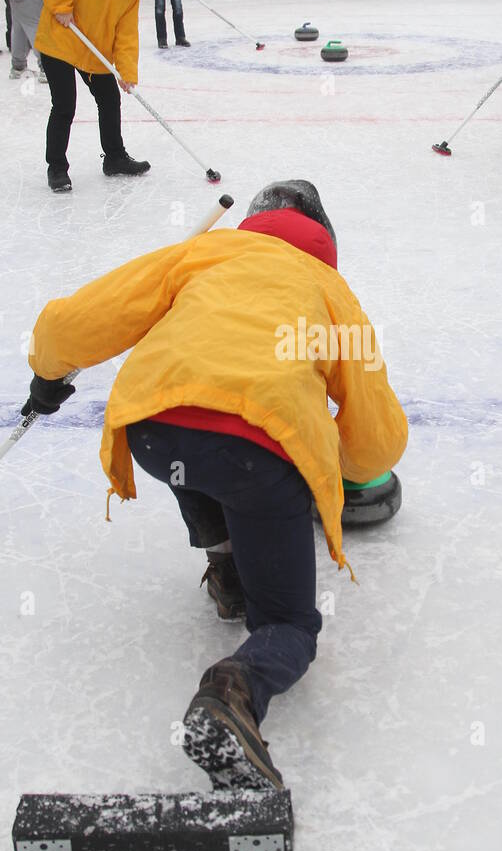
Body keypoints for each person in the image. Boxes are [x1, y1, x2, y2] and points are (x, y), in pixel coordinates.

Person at [21, 180, 408, 790]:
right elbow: (374, 442)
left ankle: (228, 570)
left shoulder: (203, 252)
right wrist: (338, 465)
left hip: (154, 428)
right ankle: (237, 690)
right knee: (288, 623)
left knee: (196, 446)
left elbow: (85, 317)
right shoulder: (332, 293)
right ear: (325, 241)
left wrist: (48, 373)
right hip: (259, 451)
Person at [34, 0, 157, 192]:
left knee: (110, 100)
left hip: (93, 51)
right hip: (62, 41)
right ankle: (57, 168)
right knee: (65, 105)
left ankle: (114, 158)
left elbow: (126, 34)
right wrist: (61, 5)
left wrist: (127, 72)